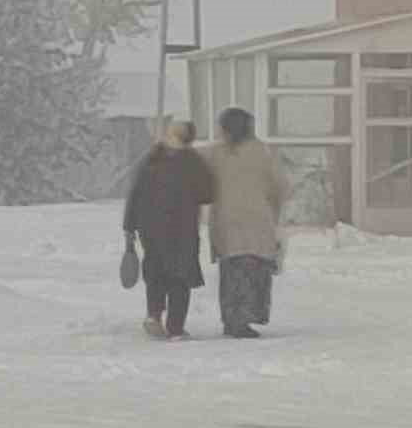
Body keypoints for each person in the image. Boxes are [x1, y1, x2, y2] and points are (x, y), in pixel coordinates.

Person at [121, 119, 216, 340]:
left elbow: (134, 194)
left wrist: (129, 226)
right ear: (189, 138)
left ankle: (154, 315)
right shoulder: (193, 161)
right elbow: (208, 193)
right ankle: (175, 328)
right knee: (180, 277)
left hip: (151, 228)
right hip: (182, 229)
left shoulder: (151, 158)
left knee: (155, 272)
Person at [204, 106, 290, 339]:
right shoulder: (262, 152)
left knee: (232, 269)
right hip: (257, 219)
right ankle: (246, 317)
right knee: (254, 268)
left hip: (226, 219)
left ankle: (233, 318)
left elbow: (198, 180)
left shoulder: (213, 154)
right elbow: (280, 186)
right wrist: (274, 208)